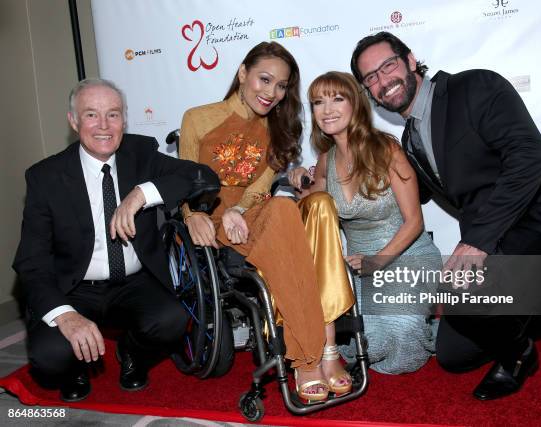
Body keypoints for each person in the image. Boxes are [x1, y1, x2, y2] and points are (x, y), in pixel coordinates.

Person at [350, 32, 541, 399]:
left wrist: (477, 241)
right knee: (453, 357)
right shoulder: (411, 139)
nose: (383, 81)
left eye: (388, 66)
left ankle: (519, 357)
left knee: (463, 297)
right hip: (501, 242)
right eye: (371, 78)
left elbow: (529, 157)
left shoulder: (475, 86)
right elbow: (413, 193)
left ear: (411, 60)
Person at [12, 78, 218, 402]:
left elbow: (204, 177)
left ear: (124, 118)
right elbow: (31, 262)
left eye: (114, 114)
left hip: (133, 283)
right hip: (74, 287)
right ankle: (74, 366)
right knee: (49, 355)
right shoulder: (45, 177)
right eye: (92, 115)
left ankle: (131, 351)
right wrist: (66, 316)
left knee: (173, 320)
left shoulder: (142, 153)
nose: (104, 126)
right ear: (74, 121)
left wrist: (142, 193)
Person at [178, 42, 354, 402]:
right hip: (209, 220)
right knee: (282, 225)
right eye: (264, 79)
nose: (272, 93)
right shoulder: (197, 117)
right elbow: (183, 181)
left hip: (247, 214)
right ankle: (308, 357)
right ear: (243, 73)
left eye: (281, 85)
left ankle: (314, 350)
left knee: (285, 209)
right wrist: (194, 214)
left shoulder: (278, 129)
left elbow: (258, 191)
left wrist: (238, 210)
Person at [289, 71, 441, 374]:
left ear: (355, 104)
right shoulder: (324, 161)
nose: (327, 109)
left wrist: (378, 261)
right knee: (371, 343)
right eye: (318, 102)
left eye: (337, 99)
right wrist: (297, 181)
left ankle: (438, 330)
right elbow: (312, 203)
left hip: (406, 256)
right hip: (360, 270)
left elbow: (414, 222)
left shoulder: (386, 149)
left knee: (402, 339)